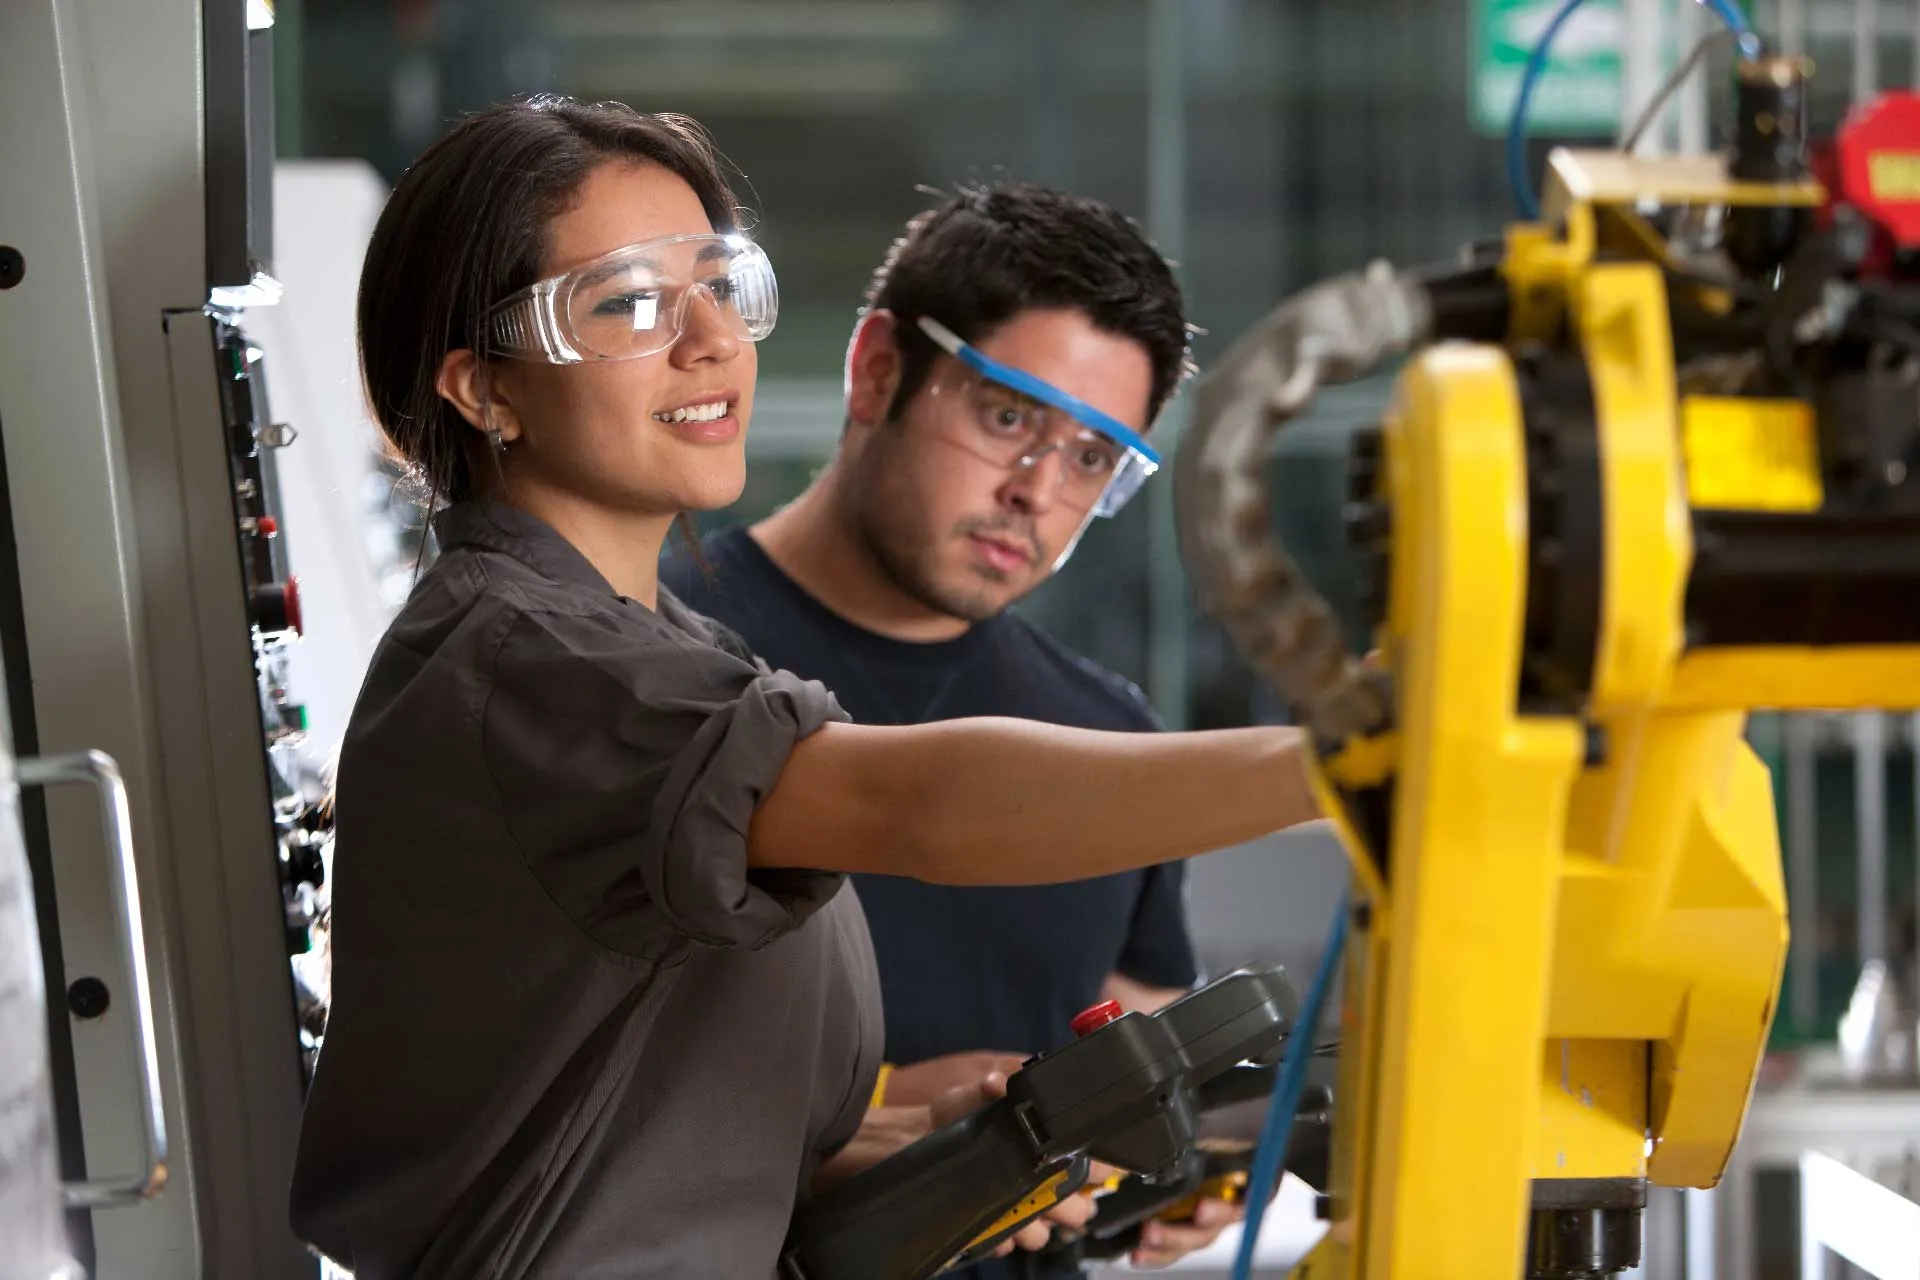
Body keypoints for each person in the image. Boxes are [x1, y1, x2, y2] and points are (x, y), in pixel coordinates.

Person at [288, 95, 1320, 1280]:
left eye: (720, 286)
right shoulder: (530, 662)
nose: (713, 340)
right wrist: (1340, 753)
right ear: (484, 389)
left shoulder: (667, 648)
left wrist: (924, 1139)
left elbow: (640, 1137)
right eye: (628, 304)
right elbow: (916, 808)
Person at [663, 183, 1242, 1275]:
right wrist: (877, 1107)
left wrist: (1176, 1165)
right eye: (1010, 416)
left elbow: (1155, 1053)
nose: (1036, 490)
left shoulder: (1112, 738)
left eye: (1091, 458)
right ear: (878, 367)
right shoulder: (649, 660)